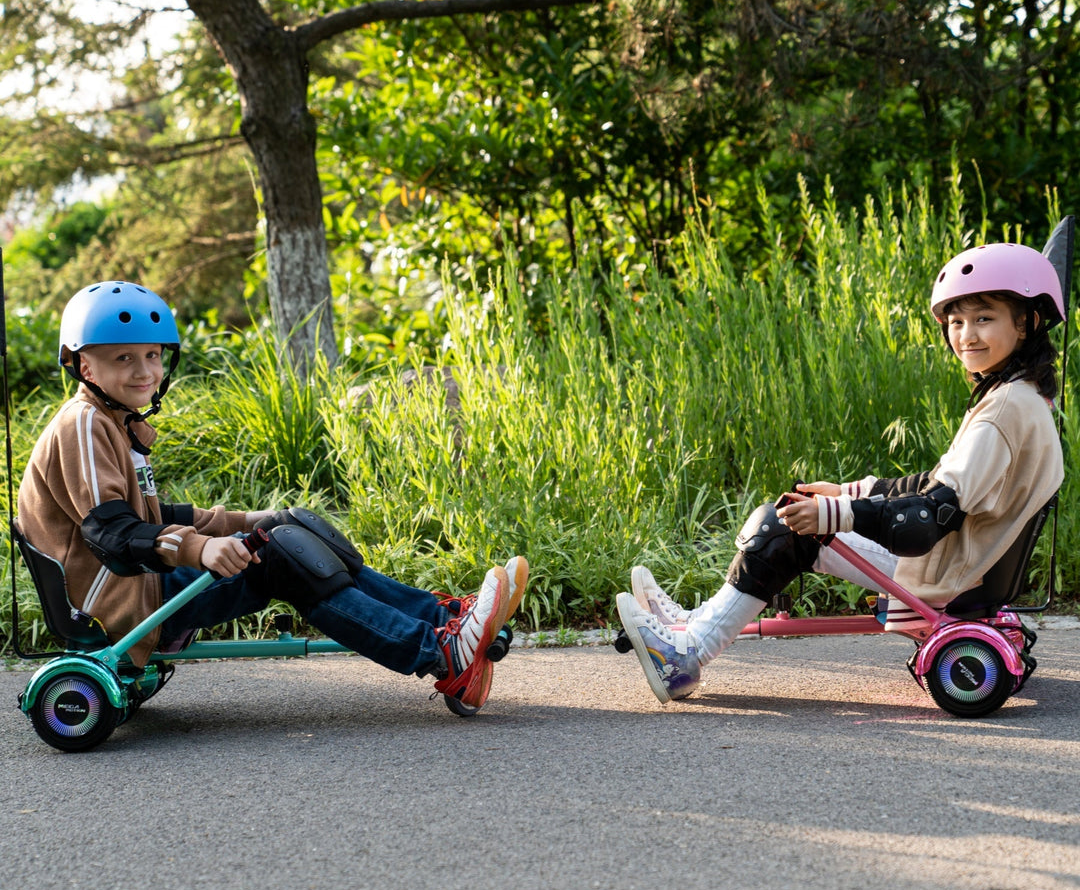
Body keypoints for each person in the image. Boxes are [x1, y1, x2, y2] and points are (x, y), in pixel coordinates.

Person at [17, 280, 528, 711]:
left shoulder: (112, 423)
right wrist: (200, 547)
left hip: (139, 583)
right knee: (284, 558)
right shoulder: (84, 425)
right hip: (119, 600)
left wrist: (252, 518)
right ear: (85, 367)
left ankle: (449, 624)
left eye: (152, 355)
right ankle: (441, 653)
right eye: (122, 358)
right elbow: (113, 532)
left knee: (292, 530)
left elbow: (155, 514)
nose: (144, 371)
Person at [616, 241, 1065, 703]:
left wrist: (836, 515)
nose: (966, 335)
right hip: (966, 562)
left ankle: (687, 653)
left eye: (984, 318)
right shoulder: (1021, 398)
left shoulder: (1001, 411)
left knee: (781, 527)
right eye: (956, 321)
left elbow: (928, 517)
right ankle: (690, 626)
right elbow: (938, 484)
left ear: (1027, 322)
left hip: (944, 568)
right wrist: (850, 491)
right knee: (792, 517)